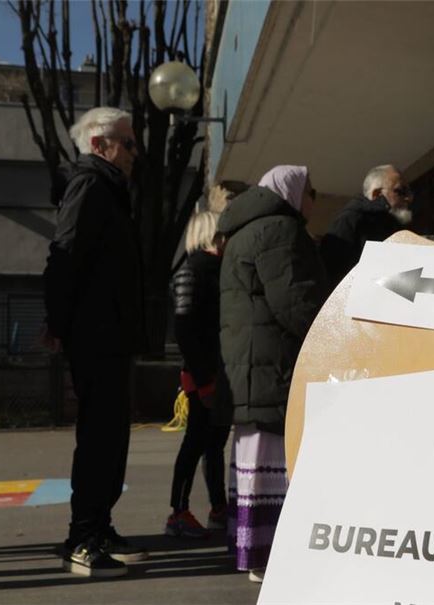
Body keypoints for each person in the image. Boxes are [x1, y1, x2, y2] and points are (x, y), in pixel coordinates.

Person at [43, 106, 147, 578]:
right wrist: (58, 322)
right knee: (99, 438)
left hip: (110, 331)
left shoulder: (109, 189)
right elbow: (65, 255)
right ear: (98, 145)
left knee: (111, 439)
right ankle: (81, 538)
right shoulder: (89, 186)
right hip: (95, 333)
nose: (133, 152)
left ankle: (99, 526)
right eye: (126, 143)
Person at [217, 165, 328, 582]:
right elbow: (295, 301)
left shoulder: (242, 231)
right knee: (278, 463)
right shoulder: (280, 229)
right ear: (293, 191)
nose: (314, 200)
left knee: (253, 462)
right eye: (311, 190)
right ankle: (273, 555)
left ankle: (255, 553)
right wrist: (329, 337)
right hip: (276, 366)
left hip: (248, 368)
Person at [165, 210, 233, 538]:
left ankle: (210, 508)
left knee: (210, 441)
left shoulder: (194, 270)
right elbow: (187, 329)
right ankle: (180, 511)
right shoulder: (199, 271)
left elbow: (186, 327)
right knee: (200, 441)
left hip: (204, 371)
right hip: (205, 372)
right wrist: (206, 379)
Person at [320, 164, 413, 287]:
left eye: (409, 192)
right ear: (376, 194)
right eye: (401, 191)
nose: (408, 198)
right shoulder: (351, 220)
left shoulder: (395, 227)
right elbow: (333, 276)